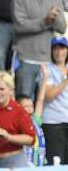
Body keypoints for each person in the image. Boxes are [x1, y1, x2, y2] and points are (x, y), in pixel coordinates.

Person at [12, 0, 66, 99]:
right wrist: (45, 21)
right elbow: (19, 26)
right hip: (26, 59)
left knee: (46, 104)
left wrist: (54, 18)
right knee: (25, 102)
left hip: (48, 61)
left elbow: (62, 27)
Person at [0, 71, 35, 168]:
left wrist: (8, 137)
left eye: (2, 89)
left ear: (10, 90)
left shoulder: (19, 111)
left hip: (14, 161)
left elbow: (31, 139)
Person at [41, 37, 68, 165]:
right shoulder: (47, 69)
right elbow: (49, 95)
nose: (58, 52)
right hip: (53, 123)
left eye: (62, 48)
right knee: (56, 163)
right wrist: (66, 80)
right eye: (55, 48)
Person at [17, 65, 47, 167]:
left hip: (39, 164)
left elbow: (40, 99)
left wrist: (45, 77)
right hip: (23, 165)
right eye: (26, 106)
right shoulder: (16, 124)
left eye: (31, 106)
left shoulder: (35, 120)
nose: (30, 108)